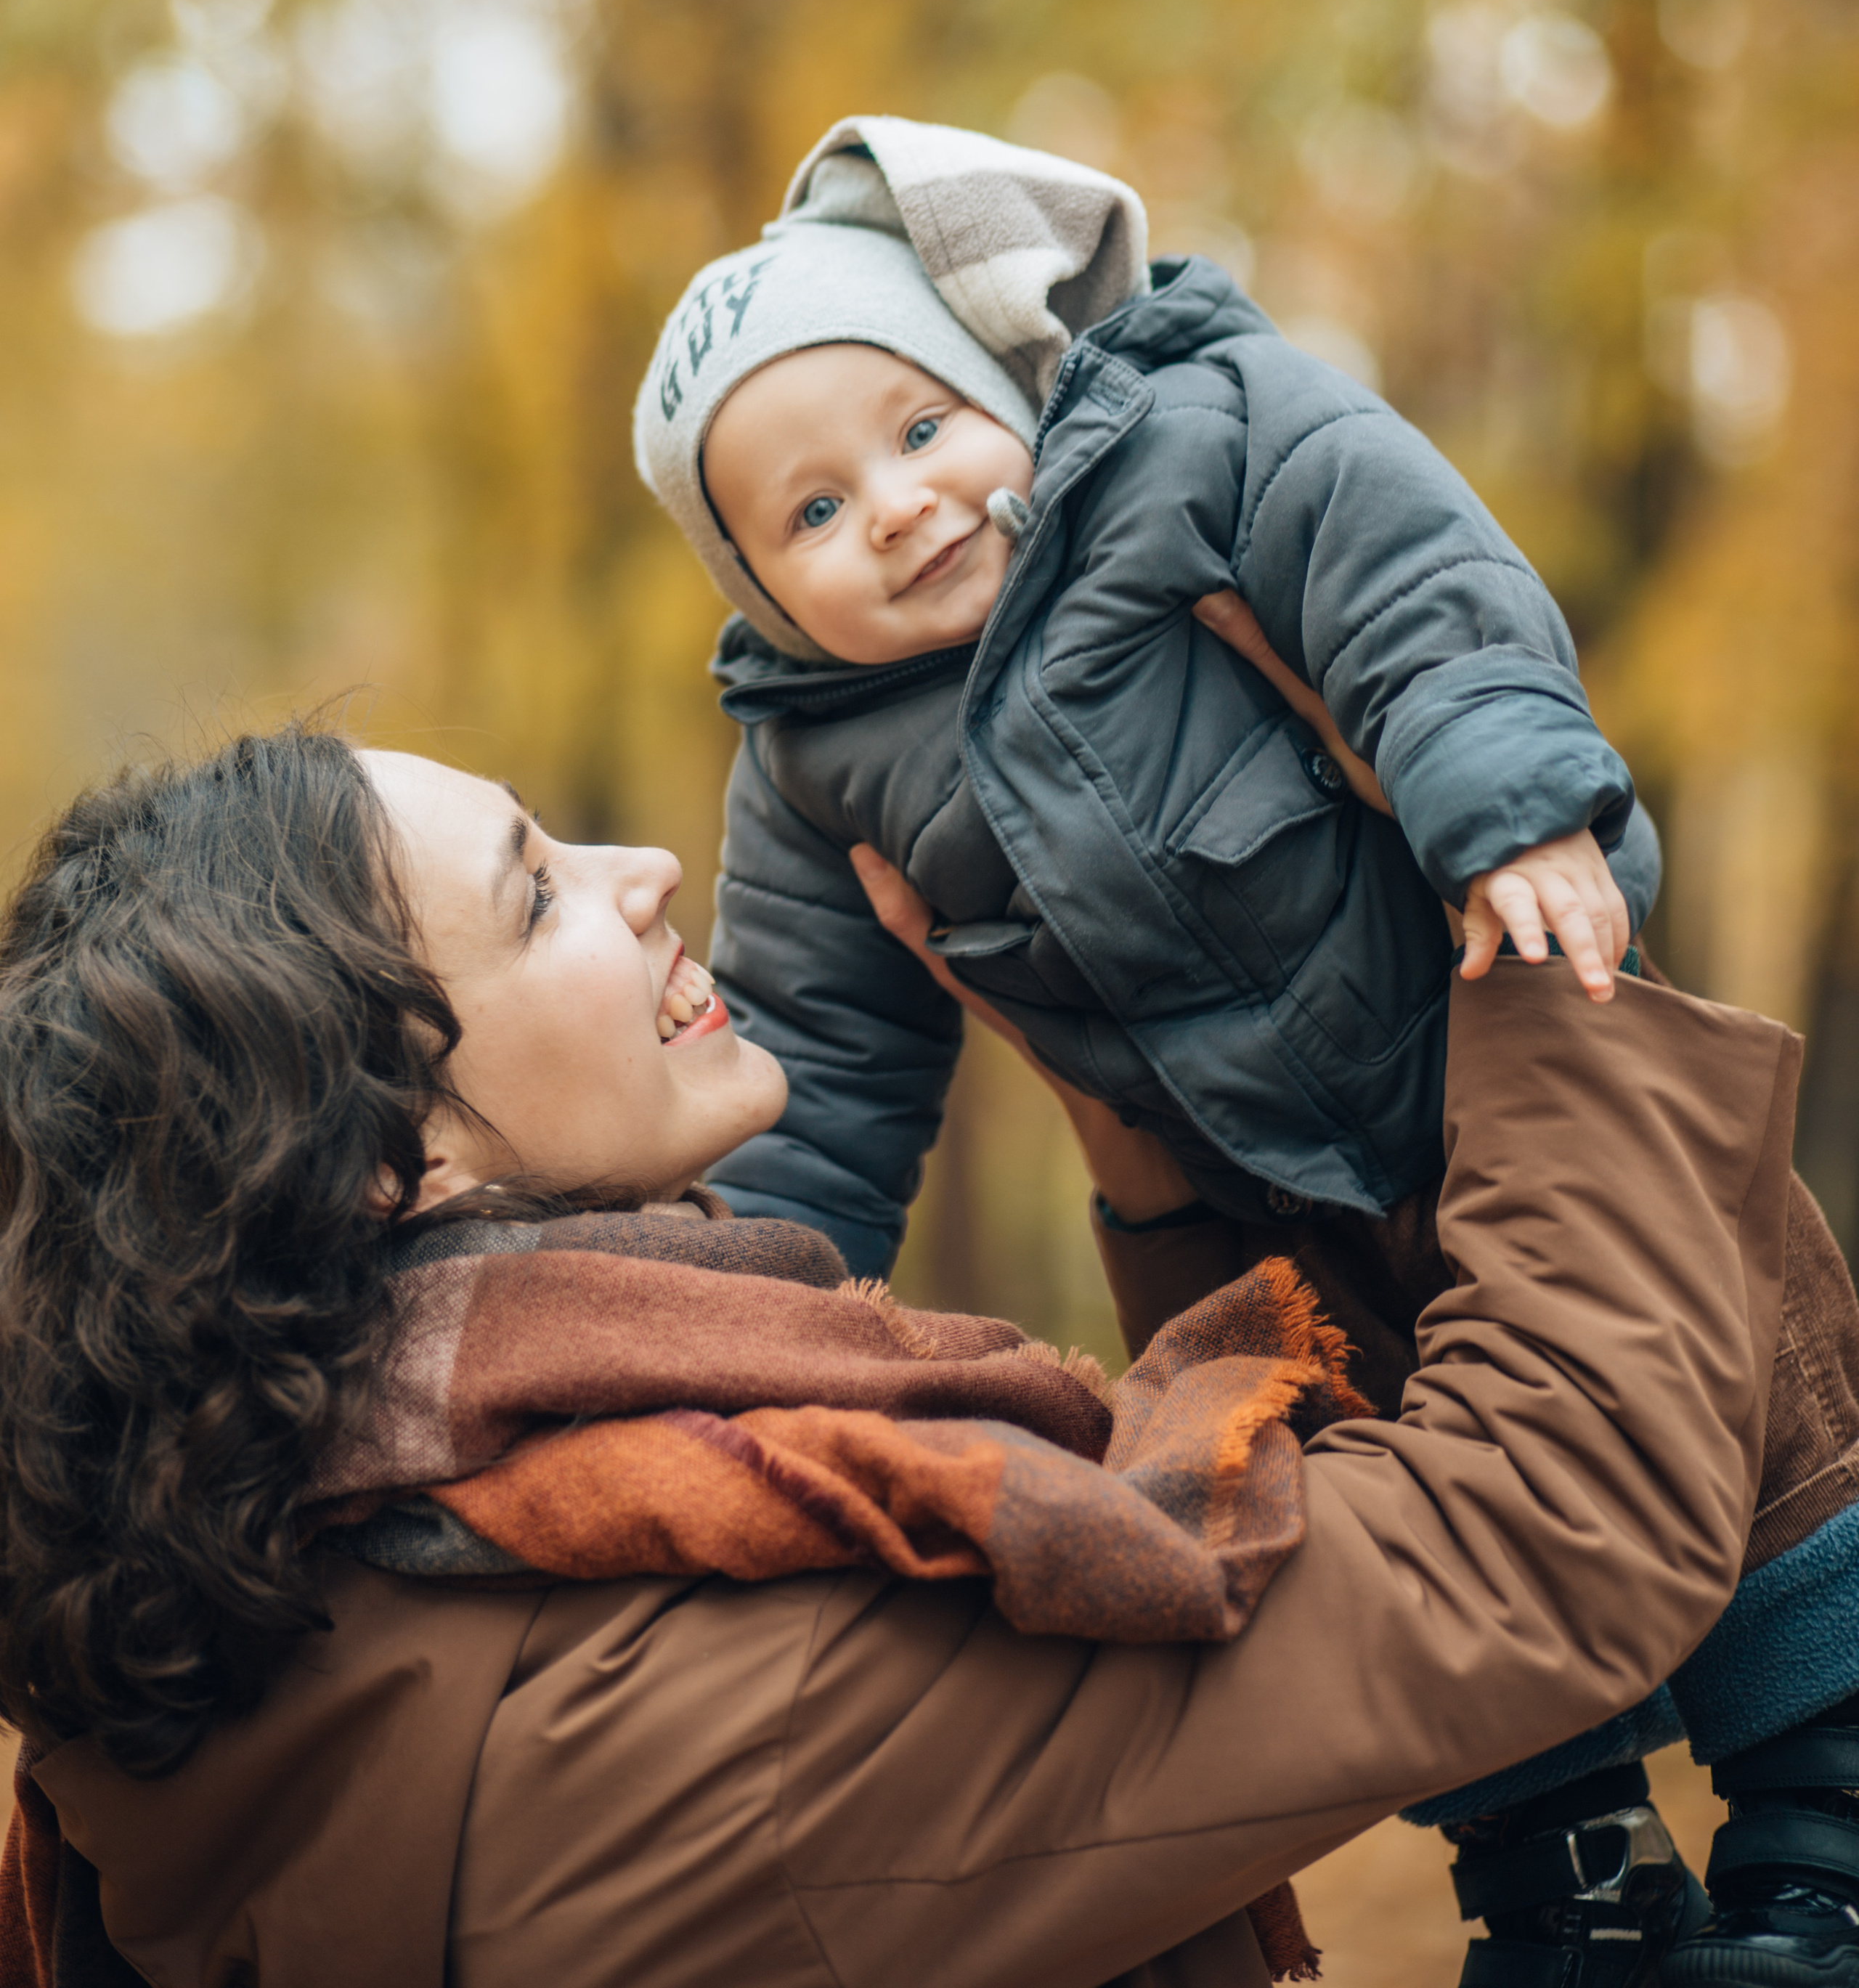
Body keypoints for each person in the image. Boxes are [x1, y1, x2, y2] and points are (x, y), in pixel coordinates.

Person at [632, 114, 1859, 1987]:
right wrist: (742, 1316)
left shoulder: (1189, 439)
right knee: (1389, 1513)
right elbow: (813, 1053)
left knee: (1759, 1404)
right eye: (805, 515)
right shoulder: (809, 765)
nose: (890, 506)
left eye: (918, 427)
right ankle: (1570, 1887)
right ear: (756, 592)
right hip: (1258, 1200)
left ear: (1003, 381)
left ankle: (1823, 1846)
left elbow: (1407, 582)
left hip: (1510, 1027)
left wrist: (1502, 801)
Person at [0, 724, 1813, 1988]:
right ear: (401, 1158)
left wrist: (1134, 1124)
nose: (643, 872)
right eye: (536, 894)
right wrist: (1533, 939)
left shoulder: (363, 1565)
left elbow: (1162, 1513)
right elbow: (1541, 1539)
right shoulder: (679, 1719)